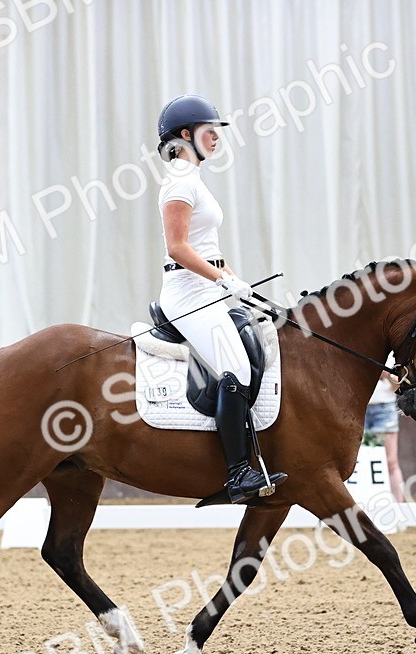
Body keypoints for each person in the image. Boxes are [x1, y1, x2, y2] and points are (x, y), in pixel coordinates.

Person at [155, 94, 287, 504]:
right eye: (209, 130)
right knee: (236, 369)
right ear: (185, 135)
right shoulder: (178, 183)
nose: (216, 137)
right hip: (186, 293)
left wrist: (233, 279)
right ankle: (237, 474)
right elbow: (177, 248)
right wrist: (219, 279)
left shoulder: (194, 181)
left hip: (208, 288)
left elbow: (207, 246)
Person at [364, 361, 404, 501]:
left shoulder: (392, 357)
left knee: (390, 461)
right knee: (362, 461)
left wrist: (386, 375)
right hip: (360, 408)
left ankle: (399, 507)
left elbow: (398, 387)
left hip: (384, 410)